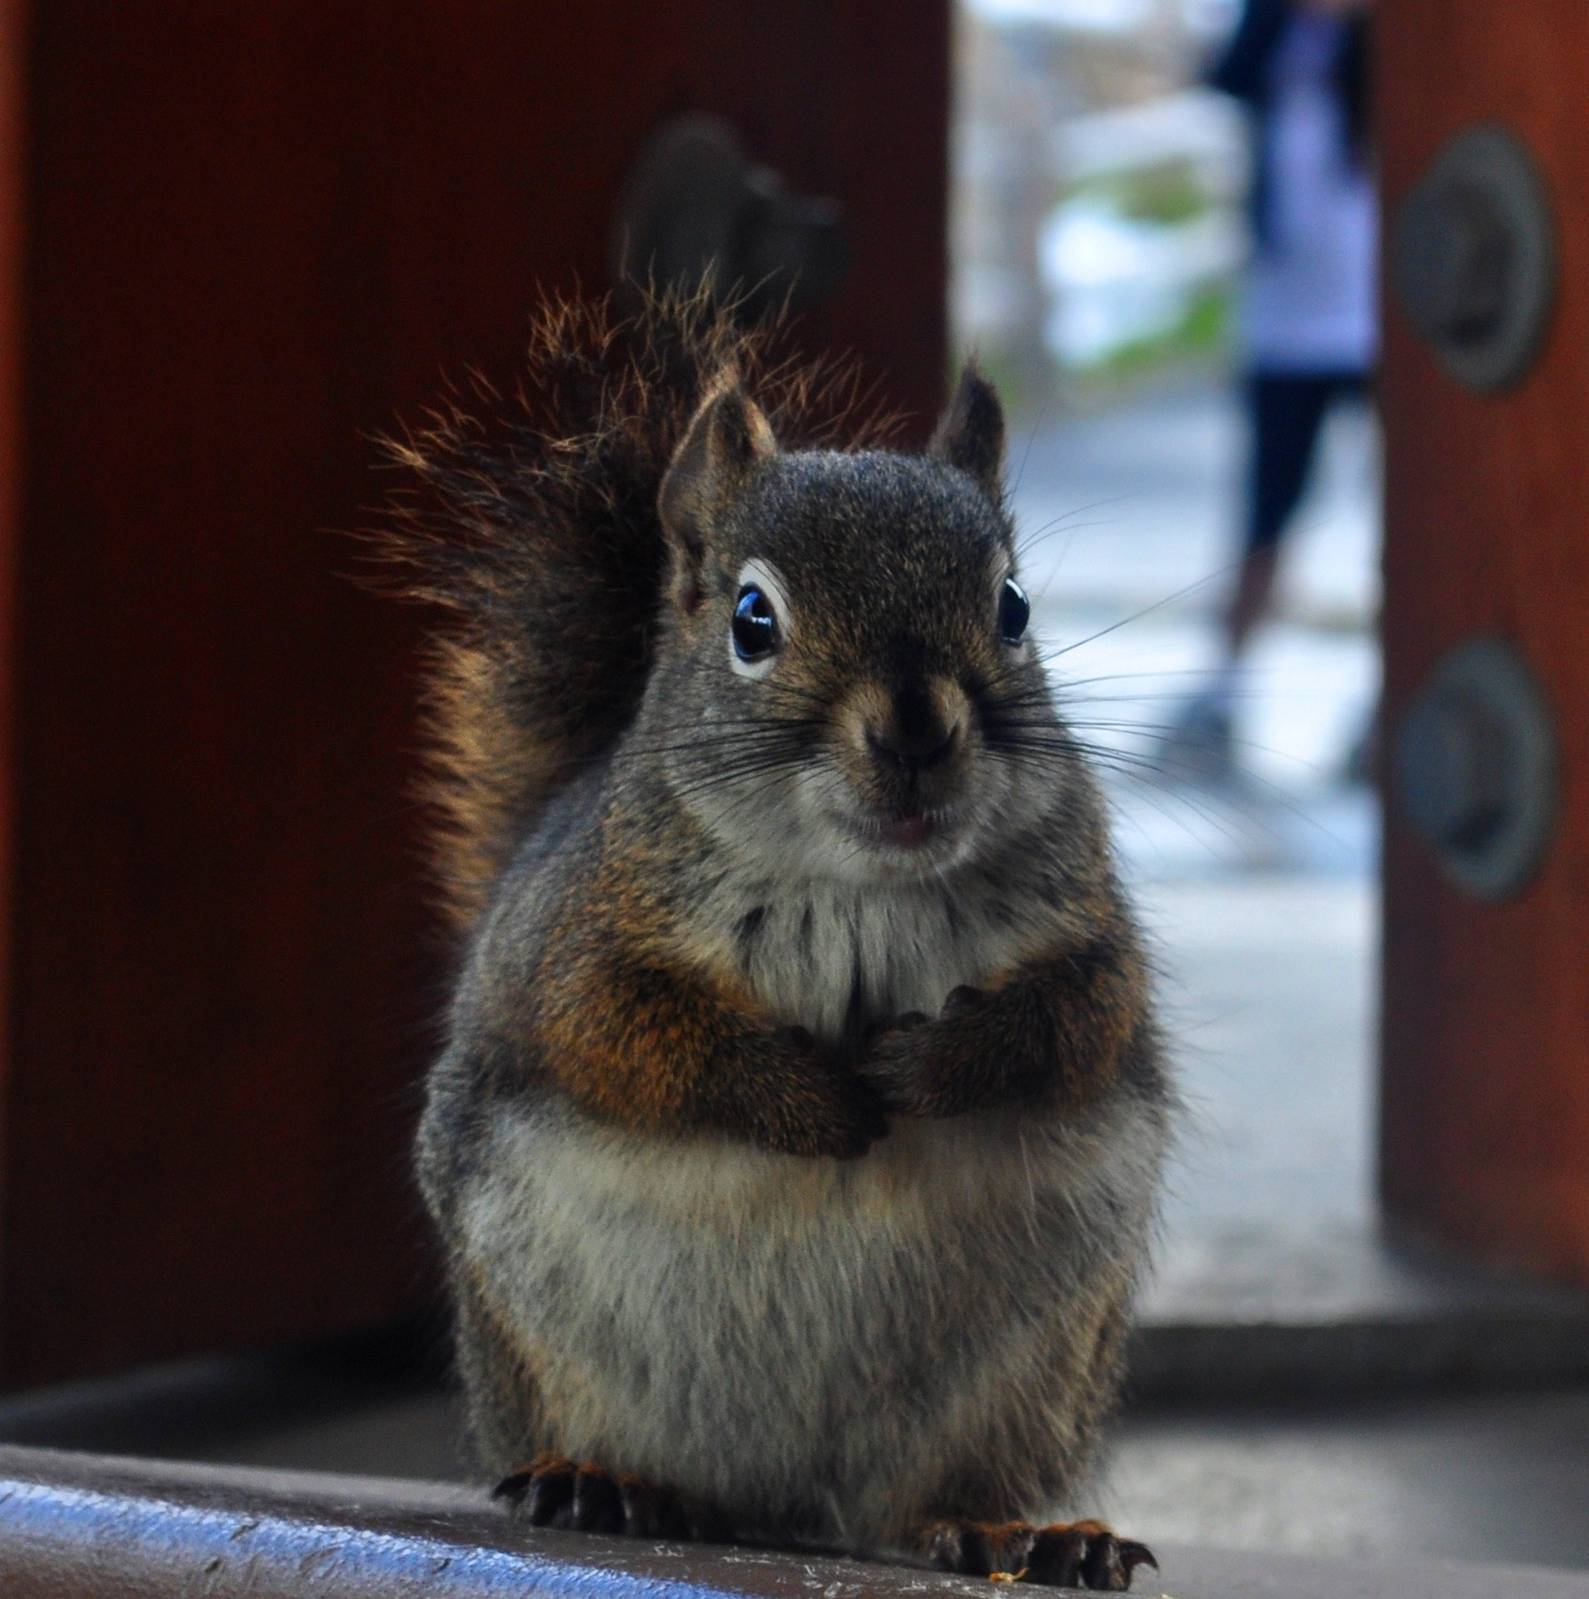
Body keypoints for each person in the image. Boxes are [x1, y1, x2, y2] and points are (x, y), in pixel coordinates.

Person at [1168, 0, 1375, 777]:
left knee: (1404, 519)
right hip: (1286, 320)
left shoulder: (1386, 45)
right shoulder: (1274, 35)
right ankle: (1220, 693)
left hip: (1381, 317)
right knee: (1263, 515)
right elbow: (1219, 76)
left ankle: (1390, 700)